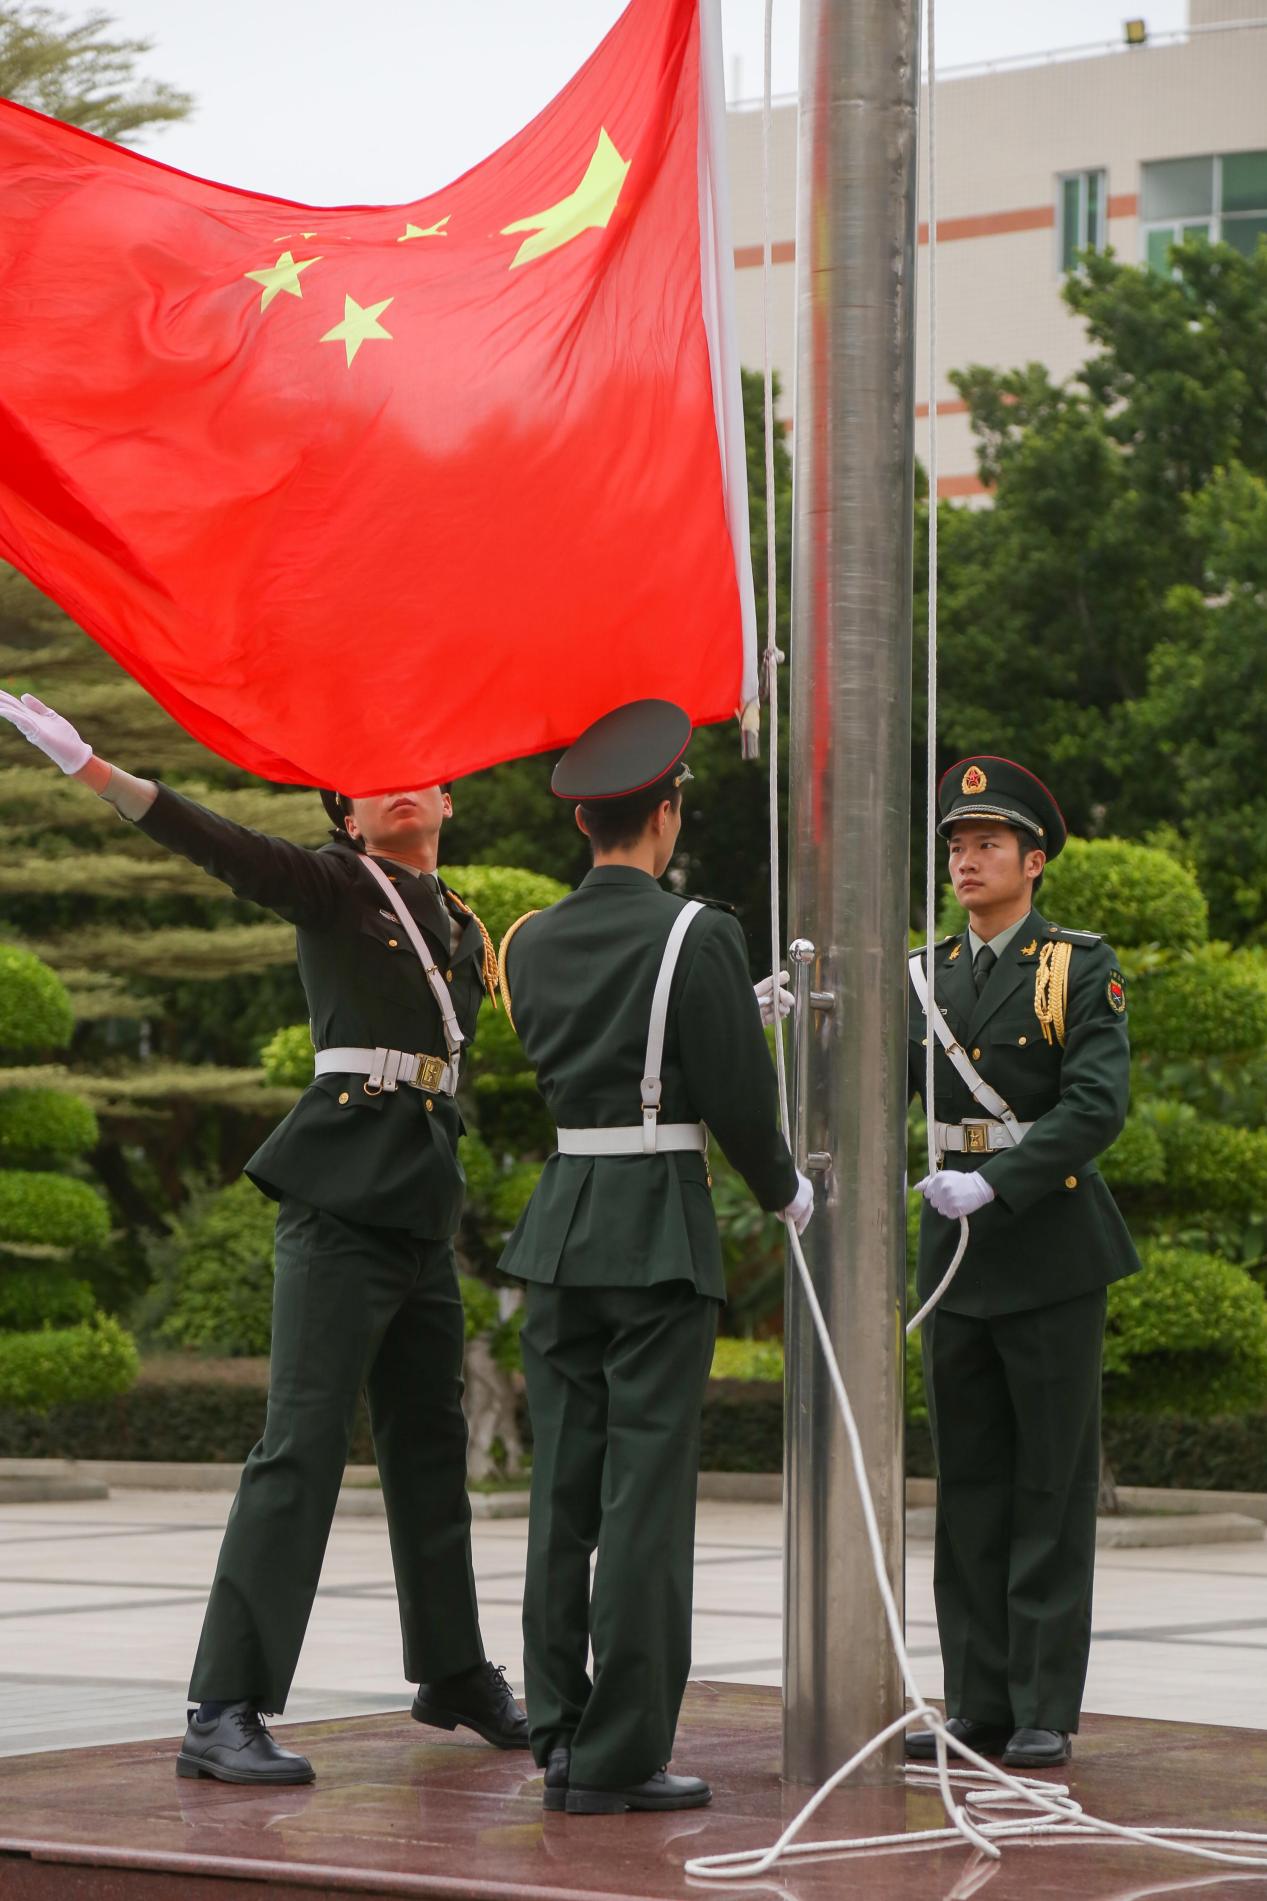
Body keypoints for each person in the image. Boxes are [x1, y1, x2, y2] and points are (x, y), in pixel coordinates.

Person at [0, 689, 528, 1784]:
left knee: (431, 1449)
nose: (392, 787)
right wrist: (97, 771)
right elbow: (225, 847)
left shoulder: (463, 923)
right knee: (301, 1445)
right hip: (338, 1201)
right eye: (364, 782)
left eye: (411, 770)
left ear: (446, 796)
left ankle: (451, 1670)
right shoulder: (335, 884)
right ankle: (223, 1704)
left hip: (421, 1203)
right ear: (345, 815)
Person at [495, 698, 812, 1817]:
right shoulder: (698, 933)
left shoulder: (526, 939)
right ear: (666, 813)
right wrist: (785, 1188)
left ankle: (556, 1729)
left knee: (561, 1490)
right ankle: (621, 1751)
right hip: (655, 1227)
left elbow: (579, 1047)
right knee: (643, 1497)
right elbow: (735, 1095)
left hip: (561, 1220)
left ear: (583, 820)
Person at [905, 754, 1141, 1770]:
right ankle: (977, 1701)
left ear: (1032, 860)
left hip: (1045, 1247)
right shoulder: (925, 974)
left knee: (1047, 1480)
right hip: (953, 1254)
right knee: (967, 1484)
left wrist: (1000, 1182)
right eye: (957, 845)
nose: (966, 860)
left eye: (988, 843)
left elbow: (1095, 1104)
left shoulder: (1076, 965)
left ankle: (1042, 1702)